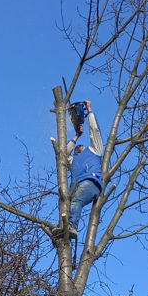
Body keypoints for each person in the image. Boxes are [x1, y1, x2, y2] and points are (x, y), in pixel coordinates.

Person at [57, 100, 104, 236]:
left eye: (80, 146)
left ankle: (72, 226)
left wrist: (89, 110)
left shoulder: (94, 150)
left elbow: (94, 131)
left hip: (90, 183)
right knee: (68, 206)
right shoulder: (73, 161)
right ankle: (64, 230)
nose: (78, 148)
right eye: (76, 147)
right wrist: (77, 136)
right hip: (75, 188)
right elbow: (62, 154)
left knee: (76, 201)